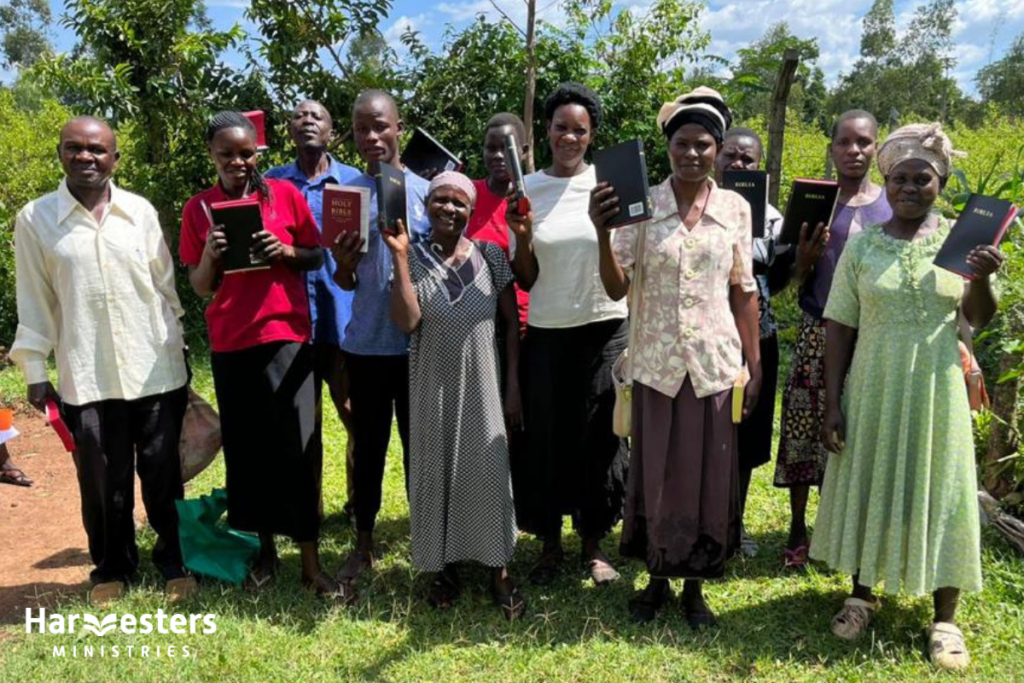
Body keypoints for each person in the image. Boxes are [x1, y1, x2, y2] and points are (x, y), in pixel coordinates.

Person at [812, 123, 1002, 671]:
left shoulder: (960, 242)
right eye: (900, 178)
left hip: (936, 386)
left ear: (939, 183)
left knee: (941, 487)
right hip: (873, 382)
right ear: (886, 181)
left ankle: (944, 619)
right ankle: (862, 594)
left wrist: (984, 280)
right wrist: (833, 401)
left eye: (923, 178)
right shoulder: (864, 246)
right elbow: (839, 325)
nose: (911, 187)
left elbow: (974, 319)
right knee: (872, 475)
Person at [590, 86, 761, 626]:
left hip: (712, 364)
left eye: (704, 144)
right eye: (682, 143)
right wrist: (601, 233)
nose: (692, 153)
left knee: (707, 474)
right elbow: (616, 288)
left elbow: (743, 290)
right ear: (667, 148)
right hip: (656, 365)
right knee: (657, 472)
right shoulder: (642, 204)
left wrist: (751, 366)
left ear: (718, 148)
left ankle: (695, 586)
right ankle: (656, 579)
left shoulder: (735, 207)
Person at [11, 116, 193, 606]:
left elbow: (164, 287)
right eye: (75, 148)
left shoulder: (139, 211)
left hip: (155, 367)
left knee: (161, 472)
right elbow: (34, 299)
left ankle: (173, 560)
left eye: (97, 149)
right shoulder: (35, 219)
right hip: (85, 374)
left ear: (115, 158)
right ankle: (112, 566)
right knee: (101, 477)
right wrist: (34, 371)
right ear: (60, 153)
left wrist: (178, 344)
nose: (86, 157)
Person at [180, 111, 339, 598]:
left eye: (246, 153)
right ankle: (266, 554)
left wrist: (285, 251)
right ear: (212, 154)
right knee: (249, 454)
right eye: (227, 154)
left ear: (258, 153)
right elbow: (201, 288)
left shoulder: (286, 196)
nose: (238, 162)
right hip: (232, 344)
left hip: (288, 338)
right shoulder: (198, 210)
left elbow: (315, 254)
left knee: (300, 446)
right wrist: (211, 253)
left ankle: (310, 563)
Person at [384, 171, 525, 619]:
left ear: (470, 210)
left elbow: (510, 326)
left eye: (458, 202)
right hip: (433, 386)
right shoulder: (413, 257)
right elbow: (407, 322)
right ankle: (443, 567)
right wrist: (401, 259)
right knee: (438, 471)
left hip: (484, 384)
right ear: (426, 206)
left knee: (487, 471)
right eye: (440, 200)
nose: (449, 208)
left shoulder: (490, 255)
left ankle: (497, 567)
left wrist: (514, 385)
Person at [507, 83, 629, 587]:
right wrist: (521, 238)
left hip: (603, 328)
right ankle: (551, 544)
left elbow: (621, 274)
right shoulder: (528, 188)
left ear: (592, 134)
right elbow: (527, 278)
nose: (569, 137)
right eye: (561, 127)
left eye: (580, 129)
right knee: (549, 440)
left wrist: (603, 229)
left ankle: (595, 545)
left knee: (599, 437)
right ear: (547, 131)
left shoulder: (610, 184)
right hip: (547, 331)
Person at [773, 110, 892, 569]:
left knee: (860, 430)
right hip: (817, 328)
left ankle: (844, 528)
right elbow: (787, 279)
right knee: (805, 427)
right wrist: (805, 261)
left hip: (874, 336)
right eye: (844, 142)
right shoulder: (814, 202)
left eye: (863, 142)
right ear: (832, 148)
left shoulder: (890, 204)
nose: (854, 151)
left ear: (876, 148)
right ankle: (799, 527)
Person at [331, 89, 430, 588]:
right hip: (366, 346)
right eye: (362, 128)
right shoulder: (346, 194)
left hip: (417, 348)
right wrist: (345, 266)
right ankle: (364, 543)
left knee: (421, 449)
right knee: (368, 449)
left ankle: (427, 543)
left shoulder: (426, 192)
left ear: (399, 126)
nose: (372, 137)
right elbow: (346, 282)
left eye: (381, 126)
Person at [266, 100, 361, 519]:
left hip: (343, 322)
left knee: (355, 418)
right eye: (299, 116)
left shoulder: (354, 184)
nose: (307, 121)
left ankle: (360, 502)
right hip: (291, 324)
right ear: (289, 130)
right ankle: (310, 508)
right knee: (302, 426)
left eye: (317, 116)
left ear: (332, 130)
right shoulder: (269, 184)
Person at [713, 126, 783, 558]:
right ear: (716, 158)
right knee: (706, 434)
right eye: (731, 157)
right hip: (705, 338)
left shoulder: (772, 218)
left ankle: (735, 524)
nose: (738, 165)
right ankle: (703, 518)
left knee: (748, 436)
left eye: (748, 160)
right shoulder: (694, 206)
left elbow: (775, 279)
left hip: (758, 337)